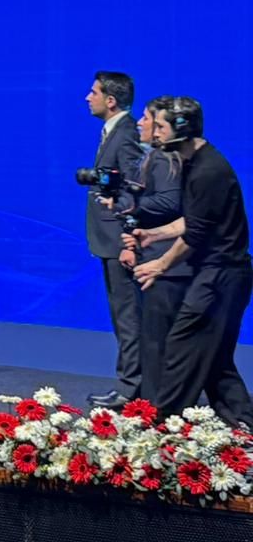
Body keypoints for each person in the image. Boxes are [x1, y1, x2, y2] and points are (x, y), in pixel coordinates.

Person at [131, 96, 253, 425]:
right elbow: (195, 218)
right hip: (218, 274)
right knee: (215, 361)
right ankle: (242, 424)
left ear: (182, 129)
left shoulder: (208, 170)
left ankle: (163, 423)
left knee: (183, 346)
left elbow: (196, 234)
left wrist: (160, 264)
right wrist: (153, 234)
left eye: (161, 126)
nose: (155, 131)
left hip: (222, 276)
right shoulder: (193, 164)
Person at [115, 97, 187, 404]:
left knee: (159, 340)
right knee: (153, 338)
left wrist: (128, 205)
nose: (141, 124)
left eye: (147, 119)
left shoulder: (163, 160)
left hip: (165, 262)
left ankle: (159, 408)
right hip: (153, 255)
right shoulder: (154, 158)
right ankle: (153, 404)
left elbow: (169, 202)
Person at [84, 70, 144, 408]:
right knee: (122, 316)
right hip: (108, 240)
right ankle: (131, 384)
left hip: (120, 242)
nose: (87, 97)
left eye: (93, 92)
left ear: (110, 100)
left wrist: (127, 240)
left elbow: (135, 188)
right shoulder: (113, 132)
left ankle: (131, 388)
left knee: (128, 316)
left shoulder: (126, 135)